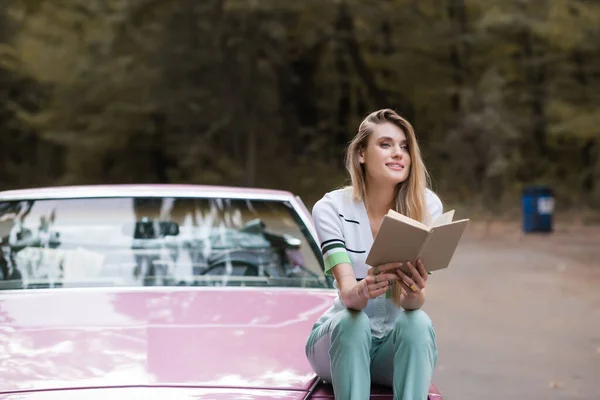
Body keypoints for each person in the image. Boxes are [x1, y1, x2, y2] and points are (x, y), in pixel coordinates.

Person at [305, 109, 443, 400]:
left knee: (418, 322)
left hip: (391, 350)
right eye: (386, 144)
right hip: (338, 342)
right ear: (361, 154)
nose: (398, 153)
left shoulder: (427, 207)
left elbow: (413, 303)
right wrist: (364, 288)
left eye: (404, 146)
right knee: (351, 321)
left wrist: (414, 289)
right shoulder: (331, 208)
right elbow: (348, 297)